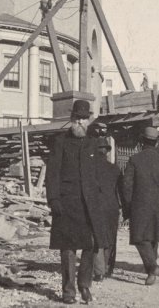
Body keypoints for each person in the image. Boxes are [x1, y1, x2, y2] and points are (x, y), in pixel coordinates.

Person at [45, 100, 108, 305]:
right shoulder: (60, 141)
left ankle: (84, 285)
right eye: (76, 118)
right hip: (67, 204)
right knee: (68, 249)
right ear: (71, 119)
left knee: (90, 245)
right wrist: (53, 199)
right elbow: (52, 173)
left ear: (88, 120)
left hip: (89, 205)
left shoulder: (92, 143)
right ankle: (68, 291)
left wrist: (102, 199)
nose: (79, 122)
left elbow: (99, 174)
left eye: (83, 118)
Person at [122, 126, 159, 286]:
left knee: (139, 237)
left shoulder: (134, 160)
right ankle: (152, 274)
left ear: (142, 142)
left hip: (139, 204)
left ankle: (152, 267)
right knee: (152, 239)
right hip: (156, 205)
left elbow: (126, 185)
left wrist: (128, 206)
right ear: (156, 143)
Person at [93, 137, 122, 281]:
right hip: (112, 207)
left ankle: (99, 271)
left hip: (95, 207)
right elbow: (121, 191)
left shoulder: (88, 169)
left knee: (97, 237)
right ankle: (108, 268)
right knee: (110, 238)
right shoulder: (114, 169)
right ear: (106, 152)